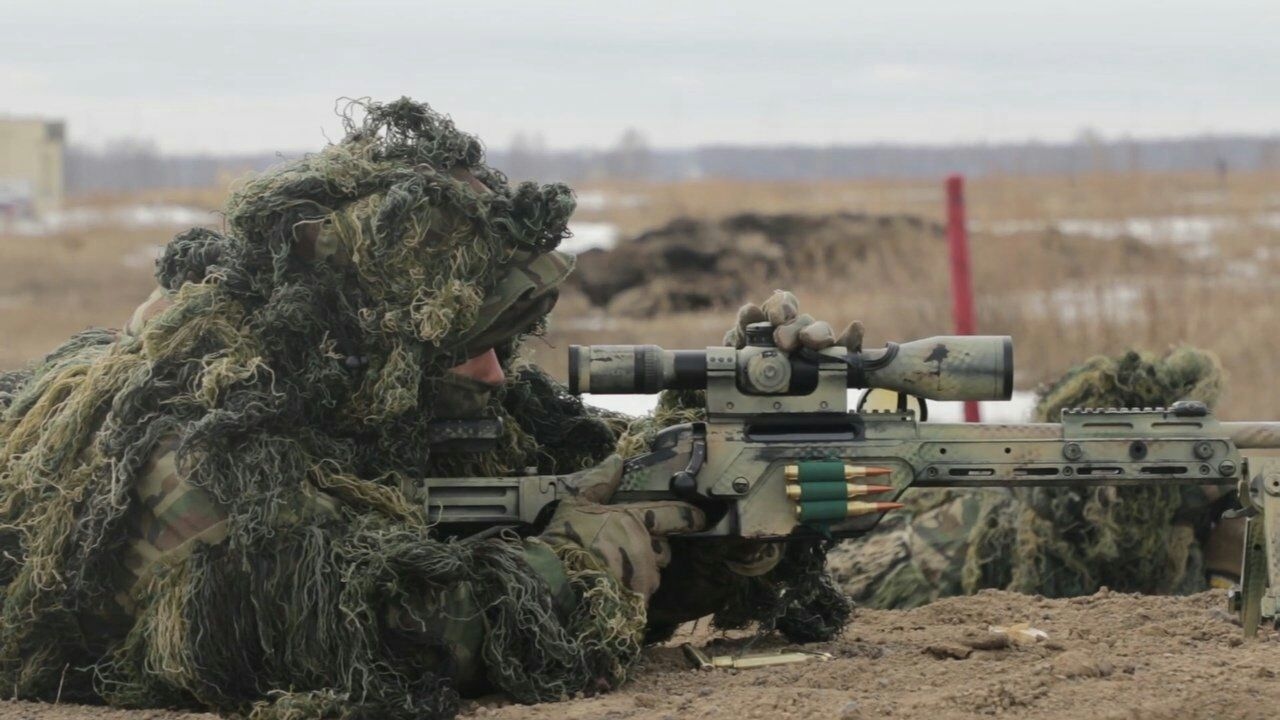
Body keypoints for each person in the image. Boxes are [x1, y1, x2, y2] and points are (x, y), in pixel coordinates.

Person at [0, 98, 806, 720]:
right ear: (361, 344)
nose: (495, 375)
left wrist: (717, 468)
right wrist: (576, 569)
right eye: (466, 345)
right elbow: (361, 634)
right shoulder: (202, 455)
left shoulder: (403, 408)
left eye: (506, 338)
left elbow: (598, 513)